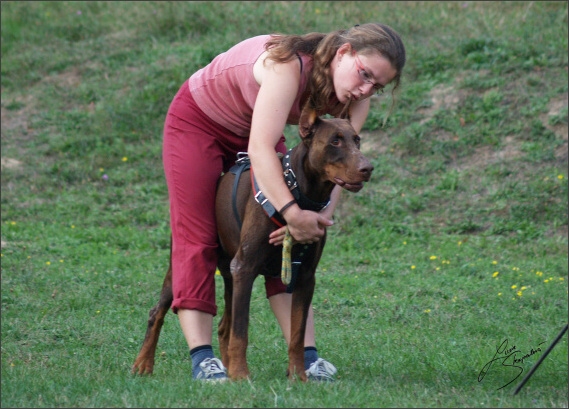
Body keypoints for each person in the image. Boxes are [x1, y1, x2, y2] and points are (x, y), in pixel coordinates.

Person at [162, 23, 406, 382]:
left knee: (289, 240)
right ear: (343, 53)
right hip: (201, 122)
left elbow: (336, 168)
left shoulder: (356, 93)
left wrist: (317, 216)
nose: (366, 89)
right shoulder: (288, 66)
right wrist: (291, 213)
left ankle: (306, 357)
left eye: (377, 86)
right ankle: (203, 358)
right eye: (365, 75)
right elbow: (260, 148)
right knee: (199, 236)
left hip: (261, 126)